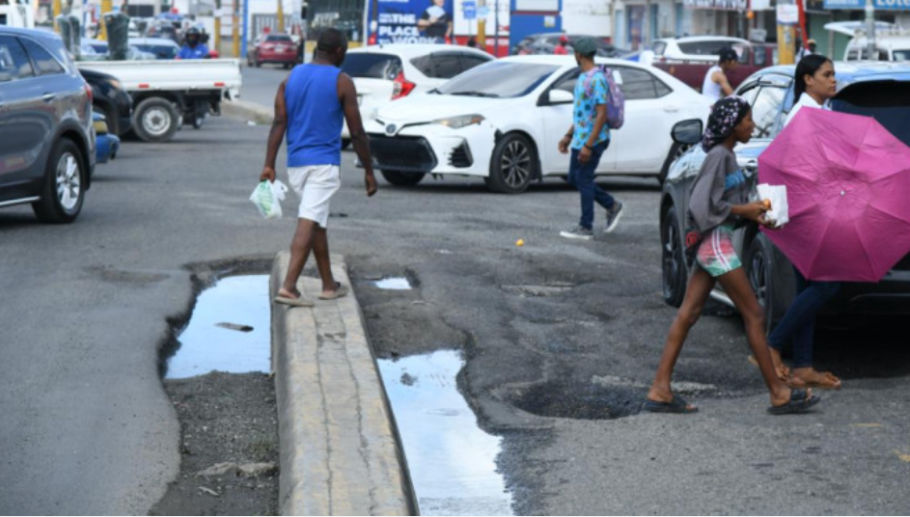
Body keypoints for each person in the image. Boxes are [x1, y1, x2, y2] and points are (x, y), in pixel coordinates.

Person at [644, 96, 821, 415]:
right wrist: (744, 209)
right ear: (732, 125)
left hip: (713, 242)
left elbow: (720, 207)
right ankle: (778, 393)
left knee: (689, 313)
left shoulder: (726, 155)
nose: (753, 125)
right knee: (753, 314)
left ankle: (660, 388)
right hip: (714, 245)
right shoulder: (719, 157)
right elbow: (700, 207)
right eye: (748, 120)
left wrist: (754, 215)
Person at [261, 28, 379, 307]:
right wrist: (369, 170)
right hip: (323, 165)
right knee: (309, 221)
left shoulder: (291, 78)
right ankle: (289, 287)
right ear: (339, 51)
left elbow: (279, 123)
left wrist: (269, 164)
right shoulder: (342, 81)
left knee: (317, 223)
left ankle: (328, 284)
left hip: (296, 166)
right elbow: (358, 132)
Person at [762, 55, 842, 389]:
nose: (833, 80)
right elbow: (804, 168)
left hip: (812, 210)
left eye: (834, 74)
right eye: (827, 74)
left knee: (807, 288)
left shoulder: (819, 112)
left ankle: (804, 366)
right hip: (807, 212)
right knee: (827, 284)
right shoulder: (804, 116)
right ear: (808, 80)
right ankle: (773, 344)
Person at [558, 37, 624, 240]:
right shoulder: (583, 77)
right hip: (580, 138)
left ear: (579, 55)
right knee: (574, 178)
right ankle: (611, 205)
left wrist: (588, 145)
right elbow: (582, 113)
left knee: (584, 179)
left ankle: (585, 226)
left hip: (593, 140)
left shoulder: (597, 79)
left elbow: (601, 113)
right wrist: (569, 136)